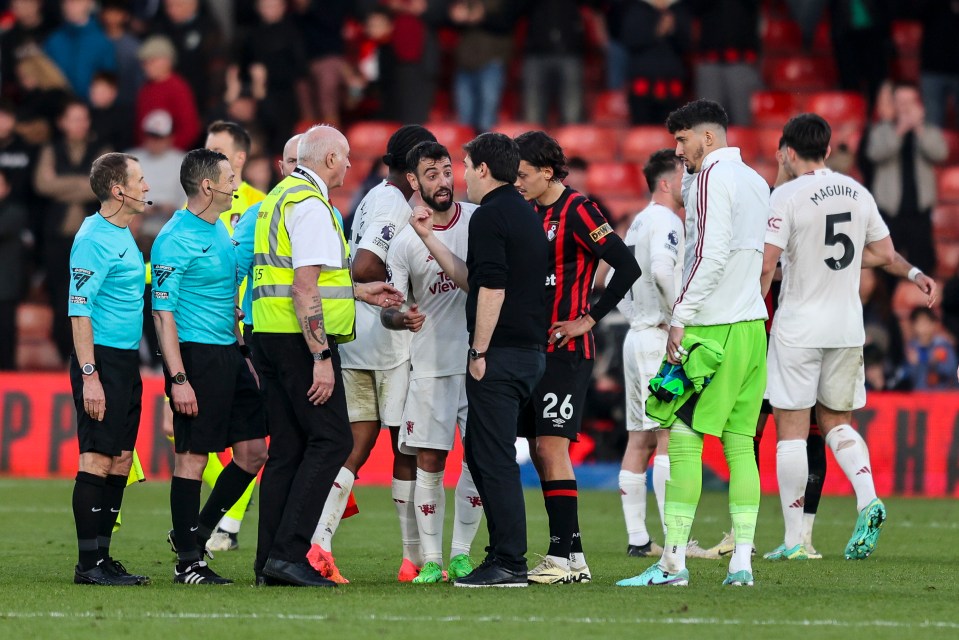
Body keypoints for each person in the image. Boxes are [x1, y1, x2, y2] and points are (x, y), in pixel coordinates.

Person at [618, 99, 768, 588]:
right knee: (740, 445)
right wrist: (686, 175)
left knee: (682, 441)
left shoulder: (710, 179)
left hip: (709, 327)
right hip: (751, 327)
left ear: (706, 137)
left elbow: (708, 251)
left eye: (682, 140)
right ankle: (742, 563)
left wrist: (680, 318)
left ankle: (673, 564)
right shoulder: (754, 179)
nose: (677, 150)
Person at [252, 124, 401, 587]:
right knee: (333, 440)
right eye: (348, 158)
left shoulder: (279, 197)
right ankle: (290, 553)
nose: (352, 166)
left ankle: (269, 562)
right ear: (331, 160)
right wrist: (320, 355)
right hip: (301, 341)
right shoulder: (313, 207)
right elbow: (304, 286)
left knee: (289, 449)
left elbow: (303, 280)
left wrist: (360, 292)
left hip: (270, 333)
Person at [761, 113, 892, 563]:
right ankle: (868, 497)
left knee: (792, 434)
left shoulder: (786, 195)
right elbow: (885, 253)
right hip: (846, 325)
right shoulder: (857, 191)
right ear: (829, 150)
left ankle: (796, 541)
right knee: (838, 424)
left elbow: (766, 266)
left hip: (799, 326)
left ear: (789, 152)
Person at [513, 130, 641, 585]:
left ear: (548, 172)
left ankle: (559, 559)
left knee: (552, 448)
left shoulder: (580, 209)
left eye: (524, 174)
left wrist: (589, 317)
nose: (518, 181)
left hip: (566, 351)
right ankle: (576, 556)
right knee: (538, 449)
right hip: (530, 349)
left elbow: (627, 266)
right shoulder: (526, 209)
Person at [318, 124, 437, 584]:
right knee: (404, 446)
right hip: (388, 342)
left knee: (358, 444)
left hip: (355, 337)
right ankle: (412, 559)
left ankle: (320, 543)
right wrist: (400, 287)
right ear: (412, 170)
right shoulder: (393, 204)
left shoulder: (370, 196)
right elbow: (364, 264)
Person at [151, 149, 268, 585]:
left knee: (253, 451)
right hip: (195, 357)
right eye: (231, 178)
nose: (237, 184)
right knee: (193, 459)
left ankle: (194, 533)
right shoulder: (173, 238)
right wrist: (177, 379)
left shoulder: (219, 229)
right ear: (208, 187)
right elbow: (163, 314)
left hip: (229, 354)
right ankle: (188, 564)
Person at [444, 132, 549, 587]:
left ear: (483, 169)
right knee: (486, 455)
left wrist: (479, 350)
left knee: (494, 458)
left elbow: (492, 288)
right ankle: (502, 555)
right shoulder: (524, 213)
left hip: (499, 353)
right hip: (528, 352)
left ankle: (509, 560)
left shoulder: (488, 217)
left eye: (466, 166)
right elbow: (478, 278)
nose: (463, 175)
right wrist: (429, 238)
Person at [384, 141, 481, 584]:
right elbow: (389, 307)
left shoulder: (476, 221)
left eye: (447, 171)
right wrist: (401, 317)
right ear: (413, 181)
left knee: (479, 459)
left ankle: (461, 554)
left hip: (478, 363)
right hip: (429, 367)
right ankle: (431, 560)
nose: (443, 181)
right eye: (432, 173)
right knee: (429, 461)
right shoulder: (404, 240)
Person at [68, 152, 151, 585]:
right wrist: (89, 375)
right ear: (118, 191)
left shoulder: (121, 234)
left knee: (119, 460)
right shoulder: (93, 239)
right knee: (96, 459)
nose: (147, 187)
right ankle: (87, 565)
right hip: (99, 360)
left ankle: (102, 557)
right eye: (140, 180)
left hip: (122, 361)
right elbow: (79, 311)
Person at [196, 120, 267, 553]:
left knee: (246, 434)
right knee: (180, 429)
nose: (208, 154)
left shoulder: (264, 204)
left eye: (216, 149)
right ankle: (224, 517)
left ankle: (230, 521)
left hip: (242, 331)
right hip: (201, 327)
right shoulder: (199, 201)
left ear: (239, 158)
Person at [615, 149, 684, 558]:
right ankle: (674, 535)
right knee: (668, 435)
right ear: (665, 182)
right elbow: (661, 269)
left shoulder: (637, 222)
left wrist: (638, 317)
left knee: (640, 437)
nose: (686, 184)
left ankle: (639, 538)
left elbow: (613, 278)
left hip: (636, 336)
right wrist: (676, 316)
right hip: (657, 339)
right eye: (681, 176)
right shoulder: (667, 220)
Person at [865, 83, 947, 275]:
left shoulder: (927, 130)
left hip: (919, 213)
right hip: (889, 214)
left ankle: (924, 304)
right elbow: (875, 153)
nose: (905, 107)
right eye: (900, 102)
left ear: (919, 104)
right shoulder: (882, 131)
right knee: (886, 268)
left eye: (910, 102)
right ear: (893, 105)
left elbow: (940, 153)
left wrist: (918, 129)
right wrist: (900, 130)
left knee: (924, 264)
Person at [904, 307, 958, 390]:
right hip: (919, 396)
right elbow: (909, 375)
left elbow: (950, 369)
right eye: (919, 323)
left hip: (943, 395)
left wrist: (922, 357)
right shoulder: (912, 347)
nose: (923, 328)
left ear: (933, 324)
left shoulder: (942, 344)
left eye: (926, 323)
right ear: (913, 326)